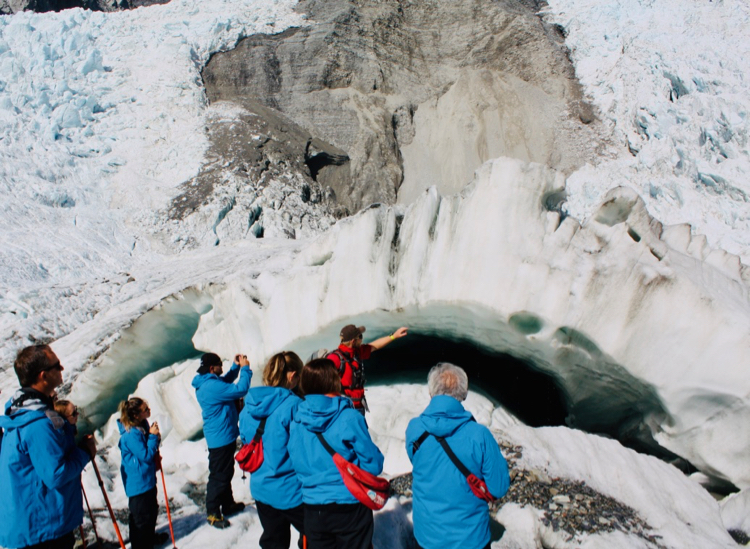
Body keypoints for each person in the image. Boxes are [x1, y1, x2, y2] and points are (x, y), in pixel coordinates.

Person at [0, 344, 96, 549]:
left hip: (33, 525)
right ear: (43, 375)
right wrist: (86, 452)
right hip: (44, 530)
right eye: (57, 366)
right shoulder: (38, 425)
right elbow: (56, 475)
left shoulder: (21, 414)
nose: (62, 369)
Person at [405, 363, 510, 549]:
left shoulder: (415, 429)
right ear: (463, 394)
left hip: (427, 537)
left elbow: (417, 460)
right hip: (470, 540)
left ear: (431, 392)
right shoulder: (480, 435)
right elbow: (498, 487)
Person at [288, 359, 384, 549]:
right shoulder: (349, 417)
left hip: (313, 508)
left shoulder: (297, 421)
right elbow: (374, 464)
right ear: (334, 381)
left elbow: (296, 463)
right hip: (349, 505)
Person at [239, 352, 305, 549]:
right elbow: (304, 452)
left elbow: (245, 439)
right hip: (291, 492)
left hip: (262, 489)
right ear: (292, 376)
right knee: (314, 536)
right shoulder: (294, 406)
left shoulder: (248, 405)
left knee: (273, 541)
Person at [192, 351, 252, 528]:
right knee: (219, 476)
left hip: (221, 435)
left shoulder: (208, 382)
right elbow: (240, 389)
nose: (222, 366)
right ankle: (212, 512)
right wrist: (245, 369)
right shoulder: (211, 387)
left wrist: (235, 368)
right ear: (212, 368)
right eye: (220, 364)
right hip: (220, 438)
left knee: (224, 473)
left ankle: (227, 504)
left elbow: (224, 382)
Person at [118, 397, 170, 549]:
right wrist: (153, 437)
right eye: (145, 409)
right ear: (136, 415)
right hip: (138, 484)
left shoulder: (142, 426)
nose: (149, 410)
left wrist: (154, 437)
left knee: (150, 513)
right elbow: (145, 456)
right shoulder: (130, 434)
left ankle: (149, 539)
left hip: (146, 480)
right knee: (141, 519)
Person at [326, 324, 408, 414]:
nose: (362, 339)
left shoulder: (356, 352)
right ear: (353, 341)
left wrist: (394, 336)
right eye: (360, 337)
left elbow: (374, 345)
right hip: (344, 409)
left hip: (358, 406)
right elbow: (323, 383)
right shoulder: (335, 358)